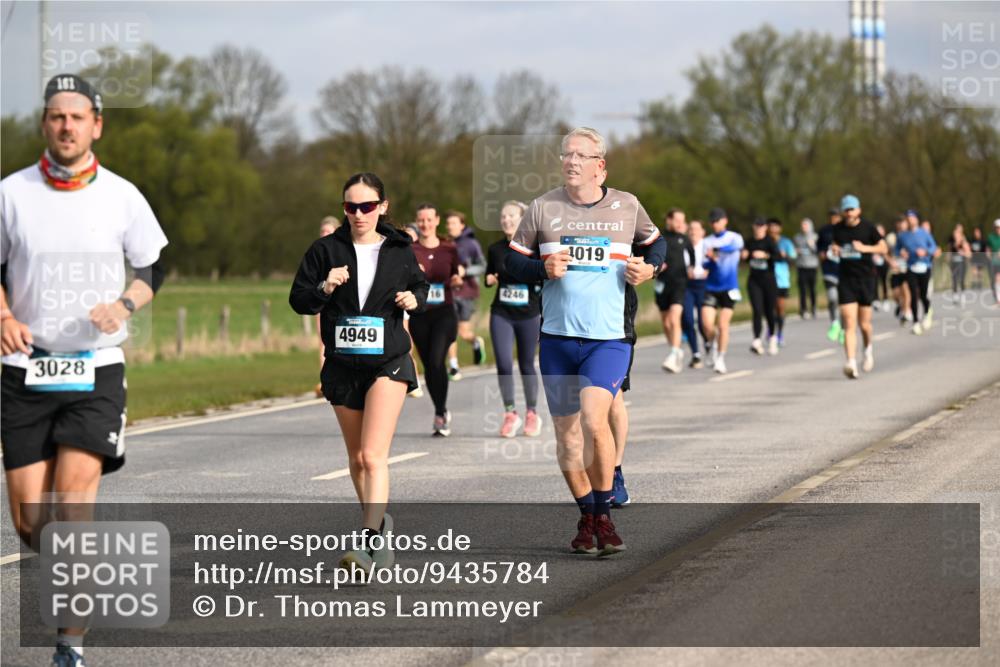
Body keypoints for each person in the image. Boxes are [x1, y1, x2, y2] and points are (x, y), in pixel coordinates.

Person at [1, 74, 169, 667]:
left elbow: (153, 267)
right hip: (24, 369)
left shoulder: (122, 195)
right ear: (44, 124)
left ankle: (69, 646)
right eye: (56, 116)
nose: (66, 126)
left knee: (72, 507)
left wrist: (124, 305)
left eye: (77, 116)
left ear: (97, 124)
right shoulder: (11, 193)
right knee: (31, 523)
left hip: (95, 370)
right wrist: (3, 314)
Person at [505, 127, 663, 557]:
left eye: (581, 155)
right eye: (566, 154)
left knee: (595, 421)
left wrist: (651, 269)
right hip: (557, 339)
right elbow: (511, 262)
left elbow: (657, 244)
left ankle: (605, 516)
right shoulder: (543, 207)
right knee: (568, 437)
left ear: (600, 165)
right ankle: (587, 514)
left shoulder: (626, 205)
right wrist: (541, 269)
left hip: (608, 339)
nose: (571, 161)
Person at [290, 172, 427, 572]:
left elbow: (421, 287)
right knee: (356, 459)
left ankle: (366, 542)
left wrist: (414, 300)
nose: (359, 214)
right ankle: (380, 527)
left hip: (388, 361)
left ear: (382, 207)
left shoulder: (399, 249)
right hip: (343, 365)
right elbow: (299, 300)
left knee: (372, 455)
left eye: (367, 206)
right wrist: (325, 287)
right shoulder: (325, 250)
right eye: (351, 207)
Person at [484, 201, 542, 438]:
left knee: (526, 364)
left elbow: (544, 275)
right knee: (504, 364)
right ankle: (510, 413)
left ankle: (532, 413)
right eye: (503, 216)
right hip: (502, 313)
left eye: (511, 216)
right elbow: (489, 274)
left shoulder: (535, 248)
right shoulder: (495, 249)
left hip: (529, 314)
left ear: (522, 220)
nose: (506, 220)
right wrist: (489, 279)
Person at [409, 203, 462, 435]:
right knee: (430, 367)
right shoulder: (410, 250)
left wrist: (457, 280)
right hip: (420, 314)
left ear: (437, 220)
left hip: (444, 313)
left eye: (429, 219)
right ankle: (440, 409)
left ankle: (440, 414)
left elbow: (456, 273)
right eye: (421, 220)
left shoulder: (449, 248)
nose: (425, 224)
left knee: (436, 360)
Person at [830, 195, 886, 379]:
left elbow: (883, 248)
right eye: (846, 210)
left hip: (866, 279)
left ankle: (868, 350)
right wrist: (835, 249)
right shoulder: (837, 229)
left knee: (864, 325)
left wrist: (865, 248)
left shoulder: (868, 228)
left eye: (852, 209)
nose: (849, 213)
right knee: (849, 322)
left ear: (859, 210)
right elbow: (834, 245)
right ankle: (851, 362)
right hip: (846, 280)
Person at [701, 207, 744, 374]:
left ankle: (720, 358)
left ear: (725, 220)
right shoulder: (707, 241)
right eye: (712, 221)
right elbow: (705, 264)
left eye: (717, 221)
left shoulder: (734, 237)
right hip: (711, 287)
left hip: (729, 287)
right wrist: (710, 260)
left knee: (723, 325)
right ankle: (711, 344)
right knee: (707, 325)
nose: (715, 224)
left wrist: (716, 251)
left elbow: (734, 248)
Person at [446, 210, 486, 380]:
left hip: (467, 292)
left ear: (462, 225)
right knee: (450, 330)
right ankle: (454, 366)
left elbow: (482, 266)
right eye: (448, 223)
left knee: (463, 332)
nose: (450, 227)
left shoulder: (471, 244)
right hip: (450, 292)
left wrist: (466, 271)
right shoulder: (446, 243)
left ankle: (475, 341)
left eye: (454, 223)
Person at [655, 208, 694, 373]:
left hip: (680, 283)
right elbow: (650, 255)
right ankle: (676, 350)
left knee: (674, 318)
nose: (680, 224)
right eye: (677, 220)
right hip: (662, 284)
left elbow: (692, 254)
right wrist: (656, 264)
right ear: (669, 220)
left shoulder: (683, 238)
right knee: (666, 323)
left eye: (682, 221)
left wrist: (691, 267)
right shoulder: (659, 237)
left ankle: (673, 354)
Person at [897, 210, 938, 334]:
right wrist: (901, 252)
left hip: (925, 266)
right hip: (911, 267)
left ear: (917, 220)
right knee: (913, 295)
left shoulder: (924, 233)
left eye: (912, 218)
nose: (910, 220)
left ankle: (927, 313)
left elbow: (933, 247)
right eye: (908, 218)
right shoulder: (902, 235)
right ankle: (915, 322)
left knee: (923, 295)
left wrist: (925, 252)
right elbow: (896, 249)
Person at [744, 218, 780, 355]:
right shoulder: (749, 241)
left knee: (769, 311)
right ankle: (757, 340)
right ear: (753, 227)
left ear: (765, 228)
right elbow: (746, 257)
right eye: (757, 226)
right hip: (754, 280)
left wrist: (765, 255)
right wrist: (746, 255)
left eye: (761, 226)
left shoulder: (770, 241)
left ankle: (772, 337)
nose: (759, 228)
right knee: (757, 310)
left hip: (768, 280)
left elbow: (778, 257)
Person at [314, 217, 341, 397]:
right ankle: (325, 380)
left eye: (328, 231)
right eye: (322, 232)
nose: (325, 235)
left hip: (341, 304)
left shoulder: (342, 252)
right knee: (323, 340)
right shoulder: (316, 254)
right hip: (322, 301)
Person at [682, 219, 709, 368]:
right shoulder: (683, 245)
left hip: (703, 285)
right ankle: (696, 354)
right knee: (688, 319)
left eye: (696, 229)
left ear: (703, 232)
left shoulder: (707, 245)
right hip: (687, 286)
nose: (693, 232)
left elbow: (715, 262)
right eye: (691, 229)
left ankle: (708, 342)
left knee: (703, 322)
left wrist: (708, 270)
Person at [768, 217, 796, 346]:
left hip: (782, 280)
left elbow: (793, 258)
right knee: (770, 308)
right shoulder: (765, 241)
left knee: (780, 308)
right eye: (771, 226)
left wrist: (786, 256)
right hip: (768, 278)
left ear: (780, 228)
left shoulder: (785, 242)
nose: (773, 228)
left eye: (775, 226)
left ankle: (779, 333)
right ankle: (771, 329)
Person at [816, 208, 843, 343]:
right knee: (833, 298)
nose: (834, 218)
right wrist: (821, 253)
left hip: (844, 270)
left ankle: (844, 328)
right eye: (832, 216)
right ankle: (835, 323)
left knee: (844, 301)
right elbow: (818, 247)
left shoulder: (845, 230)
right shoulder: (824, 230)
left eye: (836, 216)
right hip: (829, 269)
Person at [887, 215, 912, 325]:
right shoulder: (891, 237)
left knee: (906, 289)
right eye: (899, 222)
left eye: (903, 222)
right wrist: (890, 261)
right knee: (895, 294)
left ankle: (906, 311)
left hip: (907, 268)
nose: (901, 225)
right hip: (895, 269)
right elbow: (886, 252)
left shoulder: (911, 236)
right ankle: (901, 306)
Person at [793, 217, 819, 319]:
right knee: (802, 289)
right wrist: (796, 251)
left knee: (812, 289)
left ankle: (814, 307)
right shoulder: (797, 238)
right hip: (801, 266)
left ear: (810, 226)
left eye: (805, 225)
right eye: (802, 225)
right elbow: (793, 252)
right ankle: (803, 309)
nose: (803, 227)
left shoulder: (815, 236)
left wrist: (812, 246)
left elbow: (818, 251)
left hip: (812, 266)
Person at [948, 223, 972, 299]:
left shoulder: (964, 241)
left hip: (962, 263)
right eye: (956, 232)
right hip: (954, 263)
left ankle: (963, 294)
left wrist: (963, 253)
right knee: (954, 279)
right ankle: (955, 294)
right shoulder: (951, 242)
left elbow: (969, 254)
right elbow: (949, 252)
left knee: (961, 279)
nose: (956, 234)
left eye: (959, 232)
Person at [969, 226, 988, 290]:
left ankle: (980, 284)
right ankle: (974, 284)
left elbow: (986, 249)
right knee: (974, 271)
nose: (976, 234)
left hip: (981, 258)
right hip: (974, 258)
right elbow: (970, 248)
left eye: (977, 232)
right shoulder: (972, 240)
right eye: (975, 232)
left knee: (980, 272)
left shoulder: (983, 241)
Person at [990, 220, 1000, 305]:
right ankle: (998, 298)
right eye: (997, 227)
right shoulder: (991, 237)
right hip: (995, 262)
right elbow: (988, 249)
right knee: (996, 279)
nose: (998, 229)